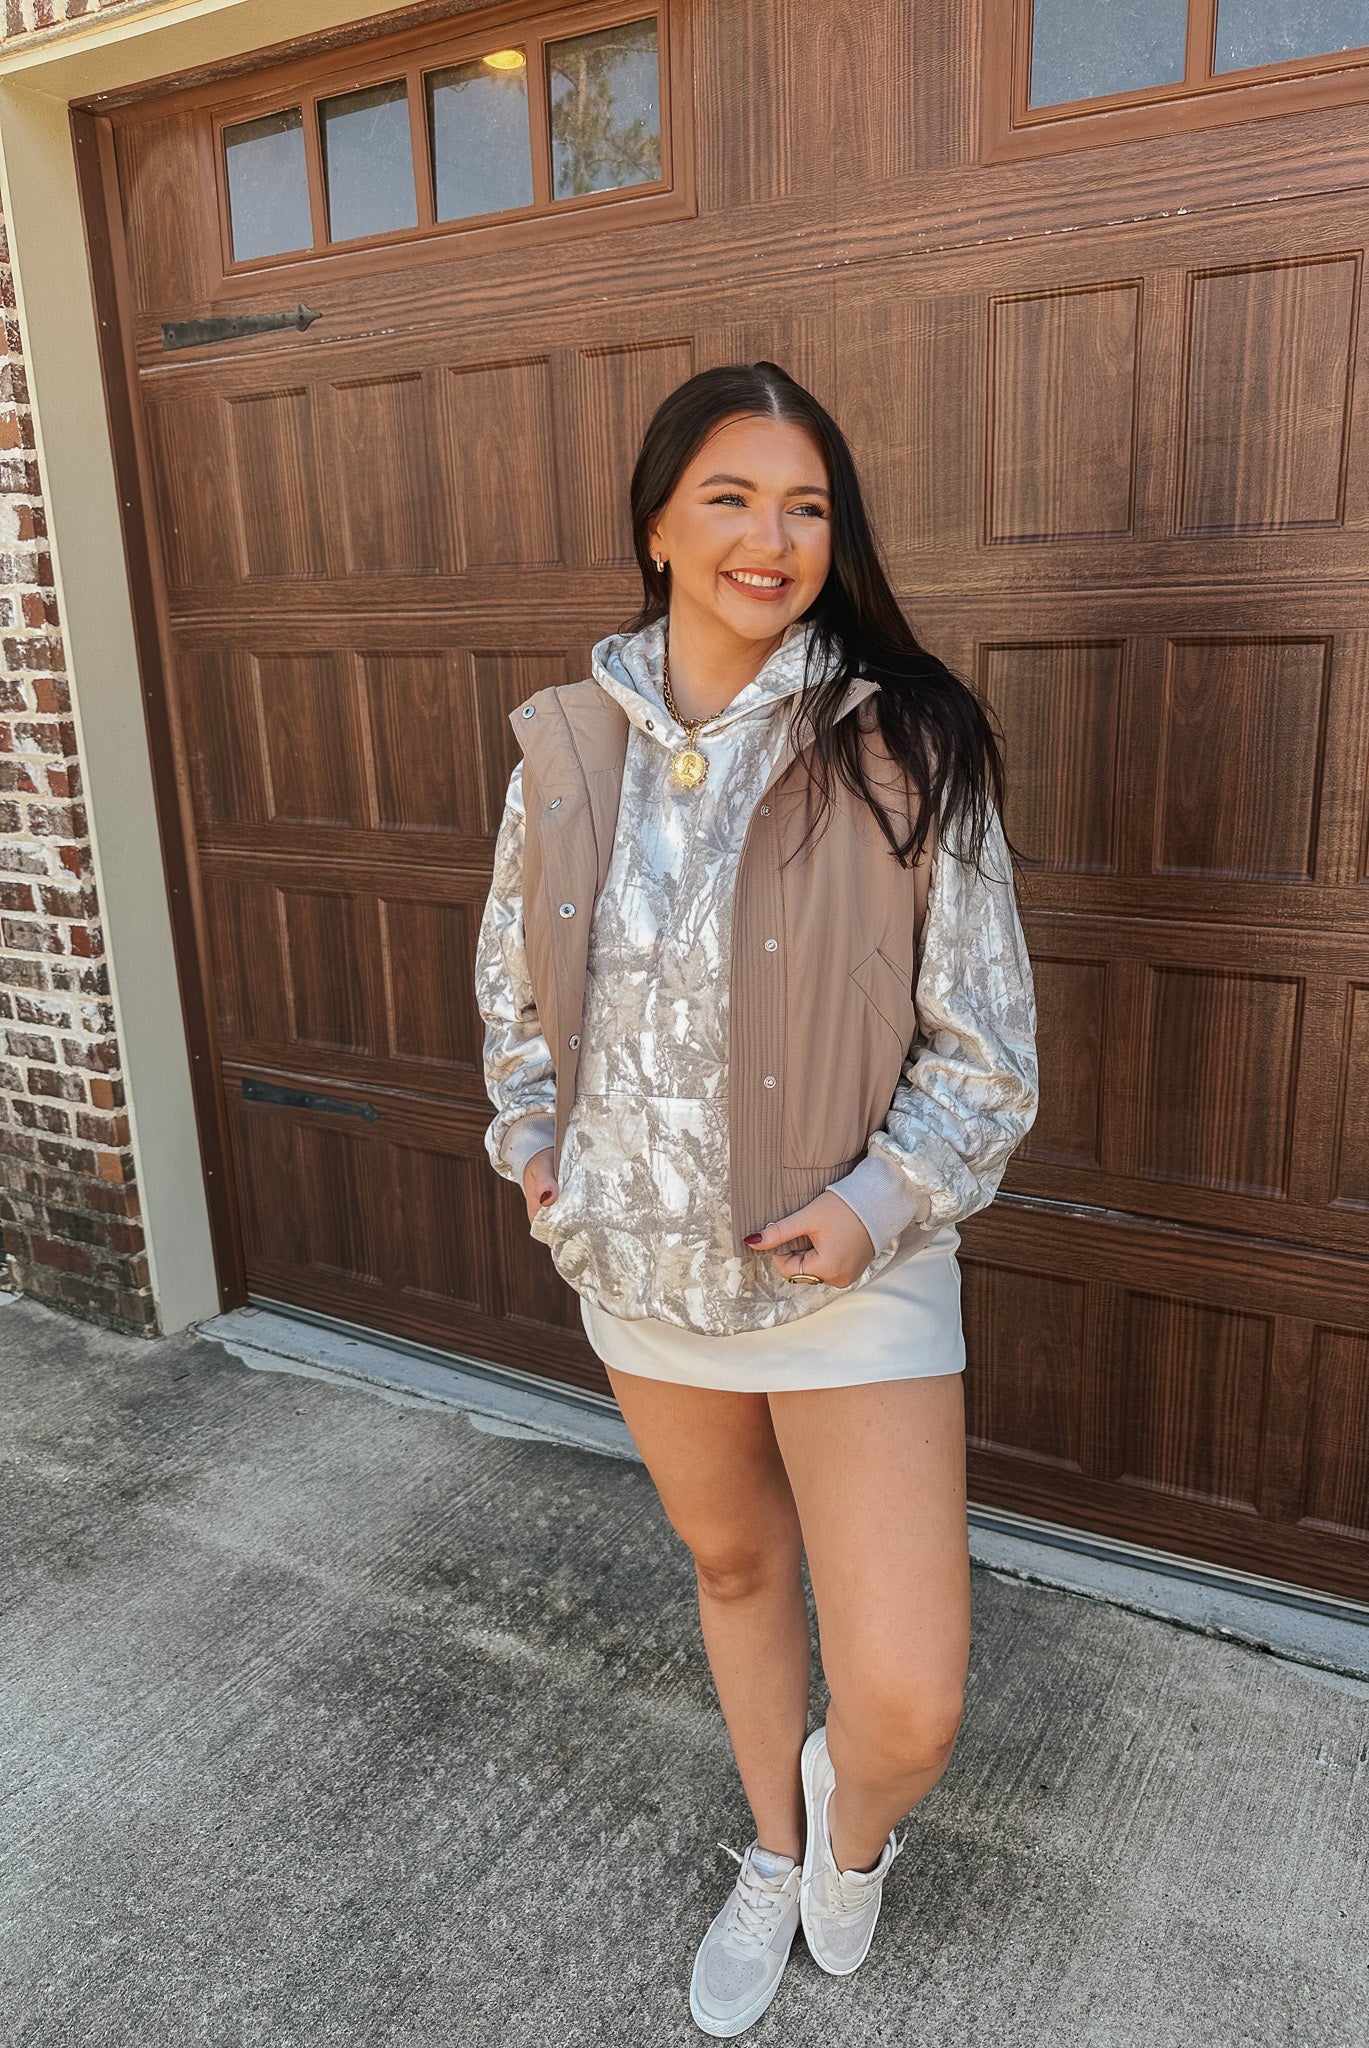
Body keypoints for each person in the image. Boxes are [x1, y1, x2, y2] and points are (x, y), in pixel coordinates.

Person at [475, 361, 1039, 2038]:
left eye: (806, 508)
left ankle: (848, 1833)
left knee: (909, 1703)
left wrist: (877, 1203)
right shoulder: (565, 748)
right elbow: (515, 994)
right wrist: (535, 1142)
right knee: (734, 1573)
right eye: (729, 498)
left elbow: (987, 1047)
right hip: (641, 1273)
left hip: (851, 1275)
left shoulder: (906, 745)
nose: (770, 539)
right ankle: (773, 1849)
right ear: (657, 524)